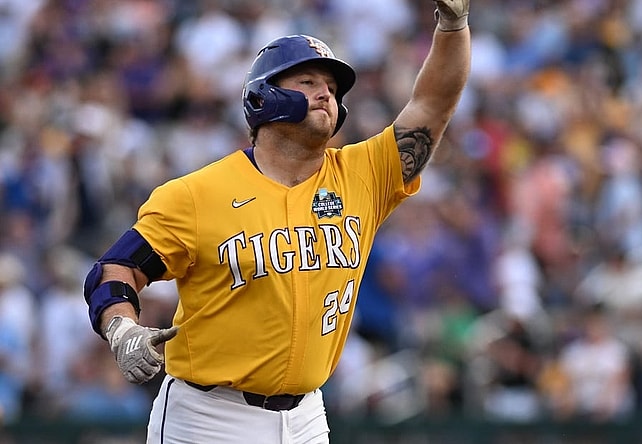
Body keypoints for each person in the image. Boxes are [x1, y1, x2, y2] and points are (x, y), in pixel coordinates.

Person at [81, 1, 471, 443]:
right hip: (208, 417)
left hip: (306, 415)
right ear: (263, 97)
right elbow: (114, 269)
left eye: (332, 87)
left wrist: (453, 25)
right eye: (308, 81)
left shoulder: (363, 175)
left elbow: (433, 103)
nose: (327, 93)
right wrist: (122, 329)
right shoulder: (196, 195)